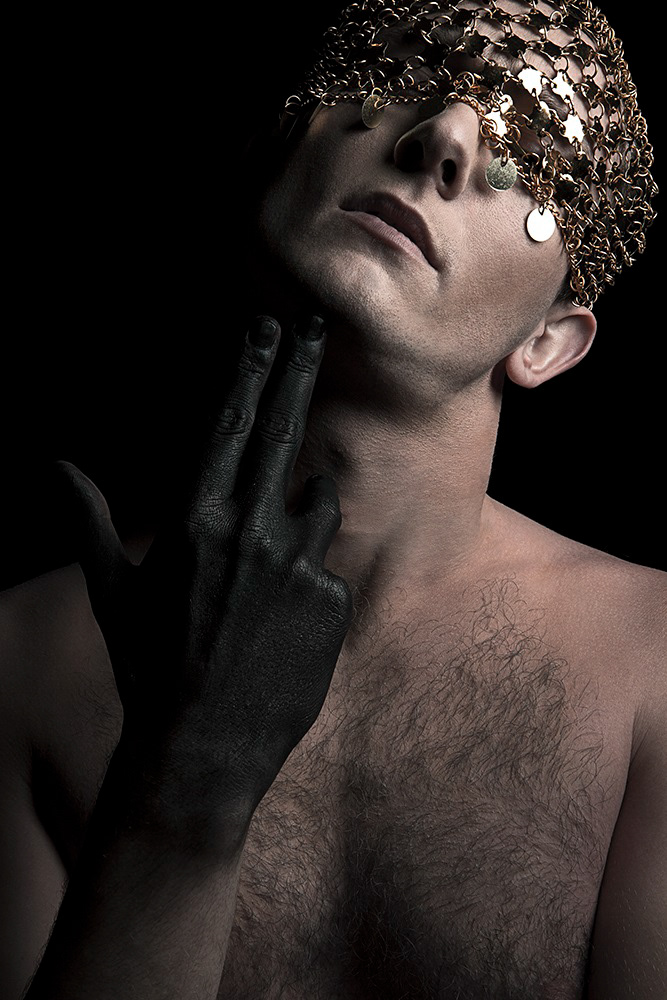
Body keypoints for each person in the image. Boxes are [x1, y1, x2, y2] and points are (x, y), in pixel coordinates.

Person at [1, 1, 664, 998]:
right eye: (401, 72)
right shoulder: (18, 662)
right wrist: (182, 792)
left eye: (533, 153)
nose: (443, 138)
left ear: (547, 342)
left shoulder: (655, 665)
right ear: (269, 153)